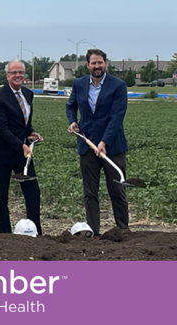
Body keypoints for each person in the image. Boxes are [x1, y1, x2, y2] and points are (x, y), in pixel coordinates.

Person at [66, 49, 129, 237]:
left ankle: (123, 230)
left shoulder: (118, 85)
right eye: (93, 63)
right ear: (87, 65)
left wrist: (104, 142)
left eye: (100, 62)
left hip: (112, 147)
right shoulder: (78, 84)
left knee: (117, 190)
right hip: (87, 146)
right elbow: (71, 105)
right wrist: (72, 121)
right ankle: (94, 231)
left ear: (105, 64)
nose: (97, 66)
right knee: (90, 193)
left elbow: (116, 117)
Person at [0, 59, 43, 235]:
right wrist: (21, 145)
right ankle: (5, 234)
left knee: (33, 193)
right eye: (14, 73)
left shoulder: (28, 93)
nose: (18, 75)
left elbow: (23, 123)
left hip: (22, 154)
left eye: (21, 72)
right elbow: (1, 127)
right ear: (7, 75)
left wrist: (31, 133)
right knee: (2, 196)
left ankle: (35, 231)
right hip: (3, 154)